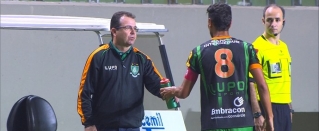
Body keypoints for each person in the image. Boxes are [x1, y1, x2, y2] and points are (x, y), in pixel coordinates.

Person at [160, 3, 274, 131]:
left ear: (209, 22)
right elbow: (262, 86)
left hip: (213, 124)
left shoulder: (198, 52)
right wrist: (269, 118)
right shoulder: (247, 49)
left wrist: (172, 91)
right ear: (230, 23)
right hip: (243, 123)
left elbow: (183, 92)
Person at [77, 11, 164, 131]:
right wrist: (88, 123)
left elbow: (157, 85)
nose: (133, 32)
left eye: (135, 28)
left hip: (132, 127)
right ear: (114, 31)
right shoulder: (98, 56)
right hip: (104, 127)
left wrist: (170, 93)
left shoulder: (142, 59)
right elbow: (84, 94)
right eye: (128, 28)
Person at [249, 4, 293, 131]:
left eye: (277, 20)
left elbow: (286, 80)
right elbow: (251, 83)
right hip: (267, 108)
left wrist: (289, 108)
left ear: (283, 22)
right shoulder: (257, 47)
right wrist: (257, 114)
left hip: (284, 109)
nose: (273, 24)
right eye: (269, 20)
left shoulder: (284, 47)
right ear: (263, 21)